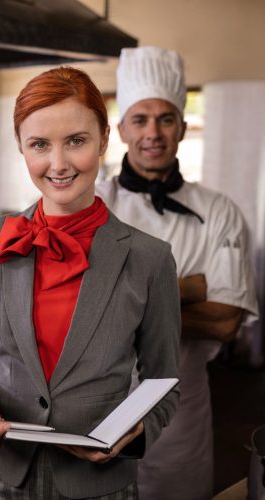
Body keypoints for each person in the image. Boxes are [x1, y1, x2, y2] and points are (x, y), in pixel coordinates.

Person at [0, 66, 181, 499]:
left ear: (103, 140)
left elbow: (163, 383)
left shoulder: (150, 259)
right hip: (0, 476)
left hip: (99, 484)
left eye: (76, 141)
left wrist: (134, 431)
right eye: (40, 144)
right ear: (20, 145)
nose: (58, 164)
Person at [96, 46, 259, 500]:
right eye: (141, 119)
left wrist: (124, 301)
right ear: (122, 129)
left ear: (183, 128)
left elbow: (227, 321)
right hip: (96, 403)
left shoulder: (219, 211)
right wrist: (188, 289)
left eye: (166, 119)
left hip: (181, 409)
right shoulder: (92, 203)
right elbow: (73, 307)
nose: (153, 132)